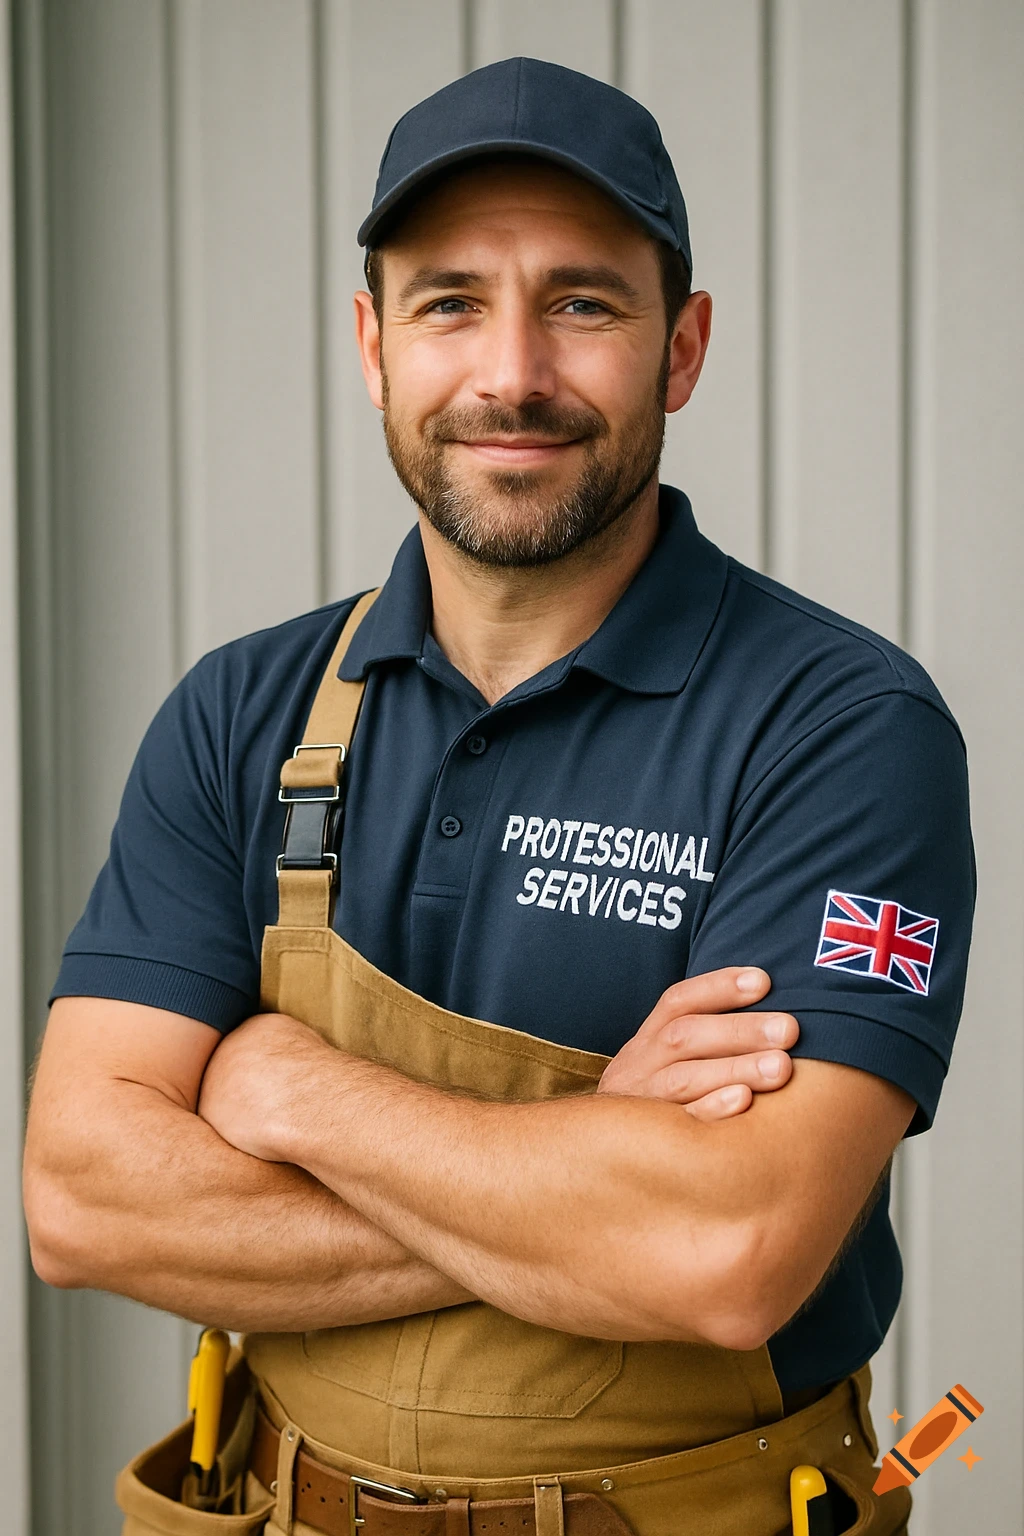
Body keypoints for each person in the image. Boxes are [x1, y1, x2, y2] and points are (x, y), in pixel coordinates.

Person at [23, 57, 972, 1536]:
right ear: (373, 345)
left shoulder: (841, 728)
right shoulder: (242, 716)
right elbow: (83, 1197)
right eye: (449, 301)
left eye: (584, 303)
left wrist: (292, 1090)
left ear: (684, 348)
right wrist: (596, 1158)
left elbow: (729, 1249)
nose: (512, 372)